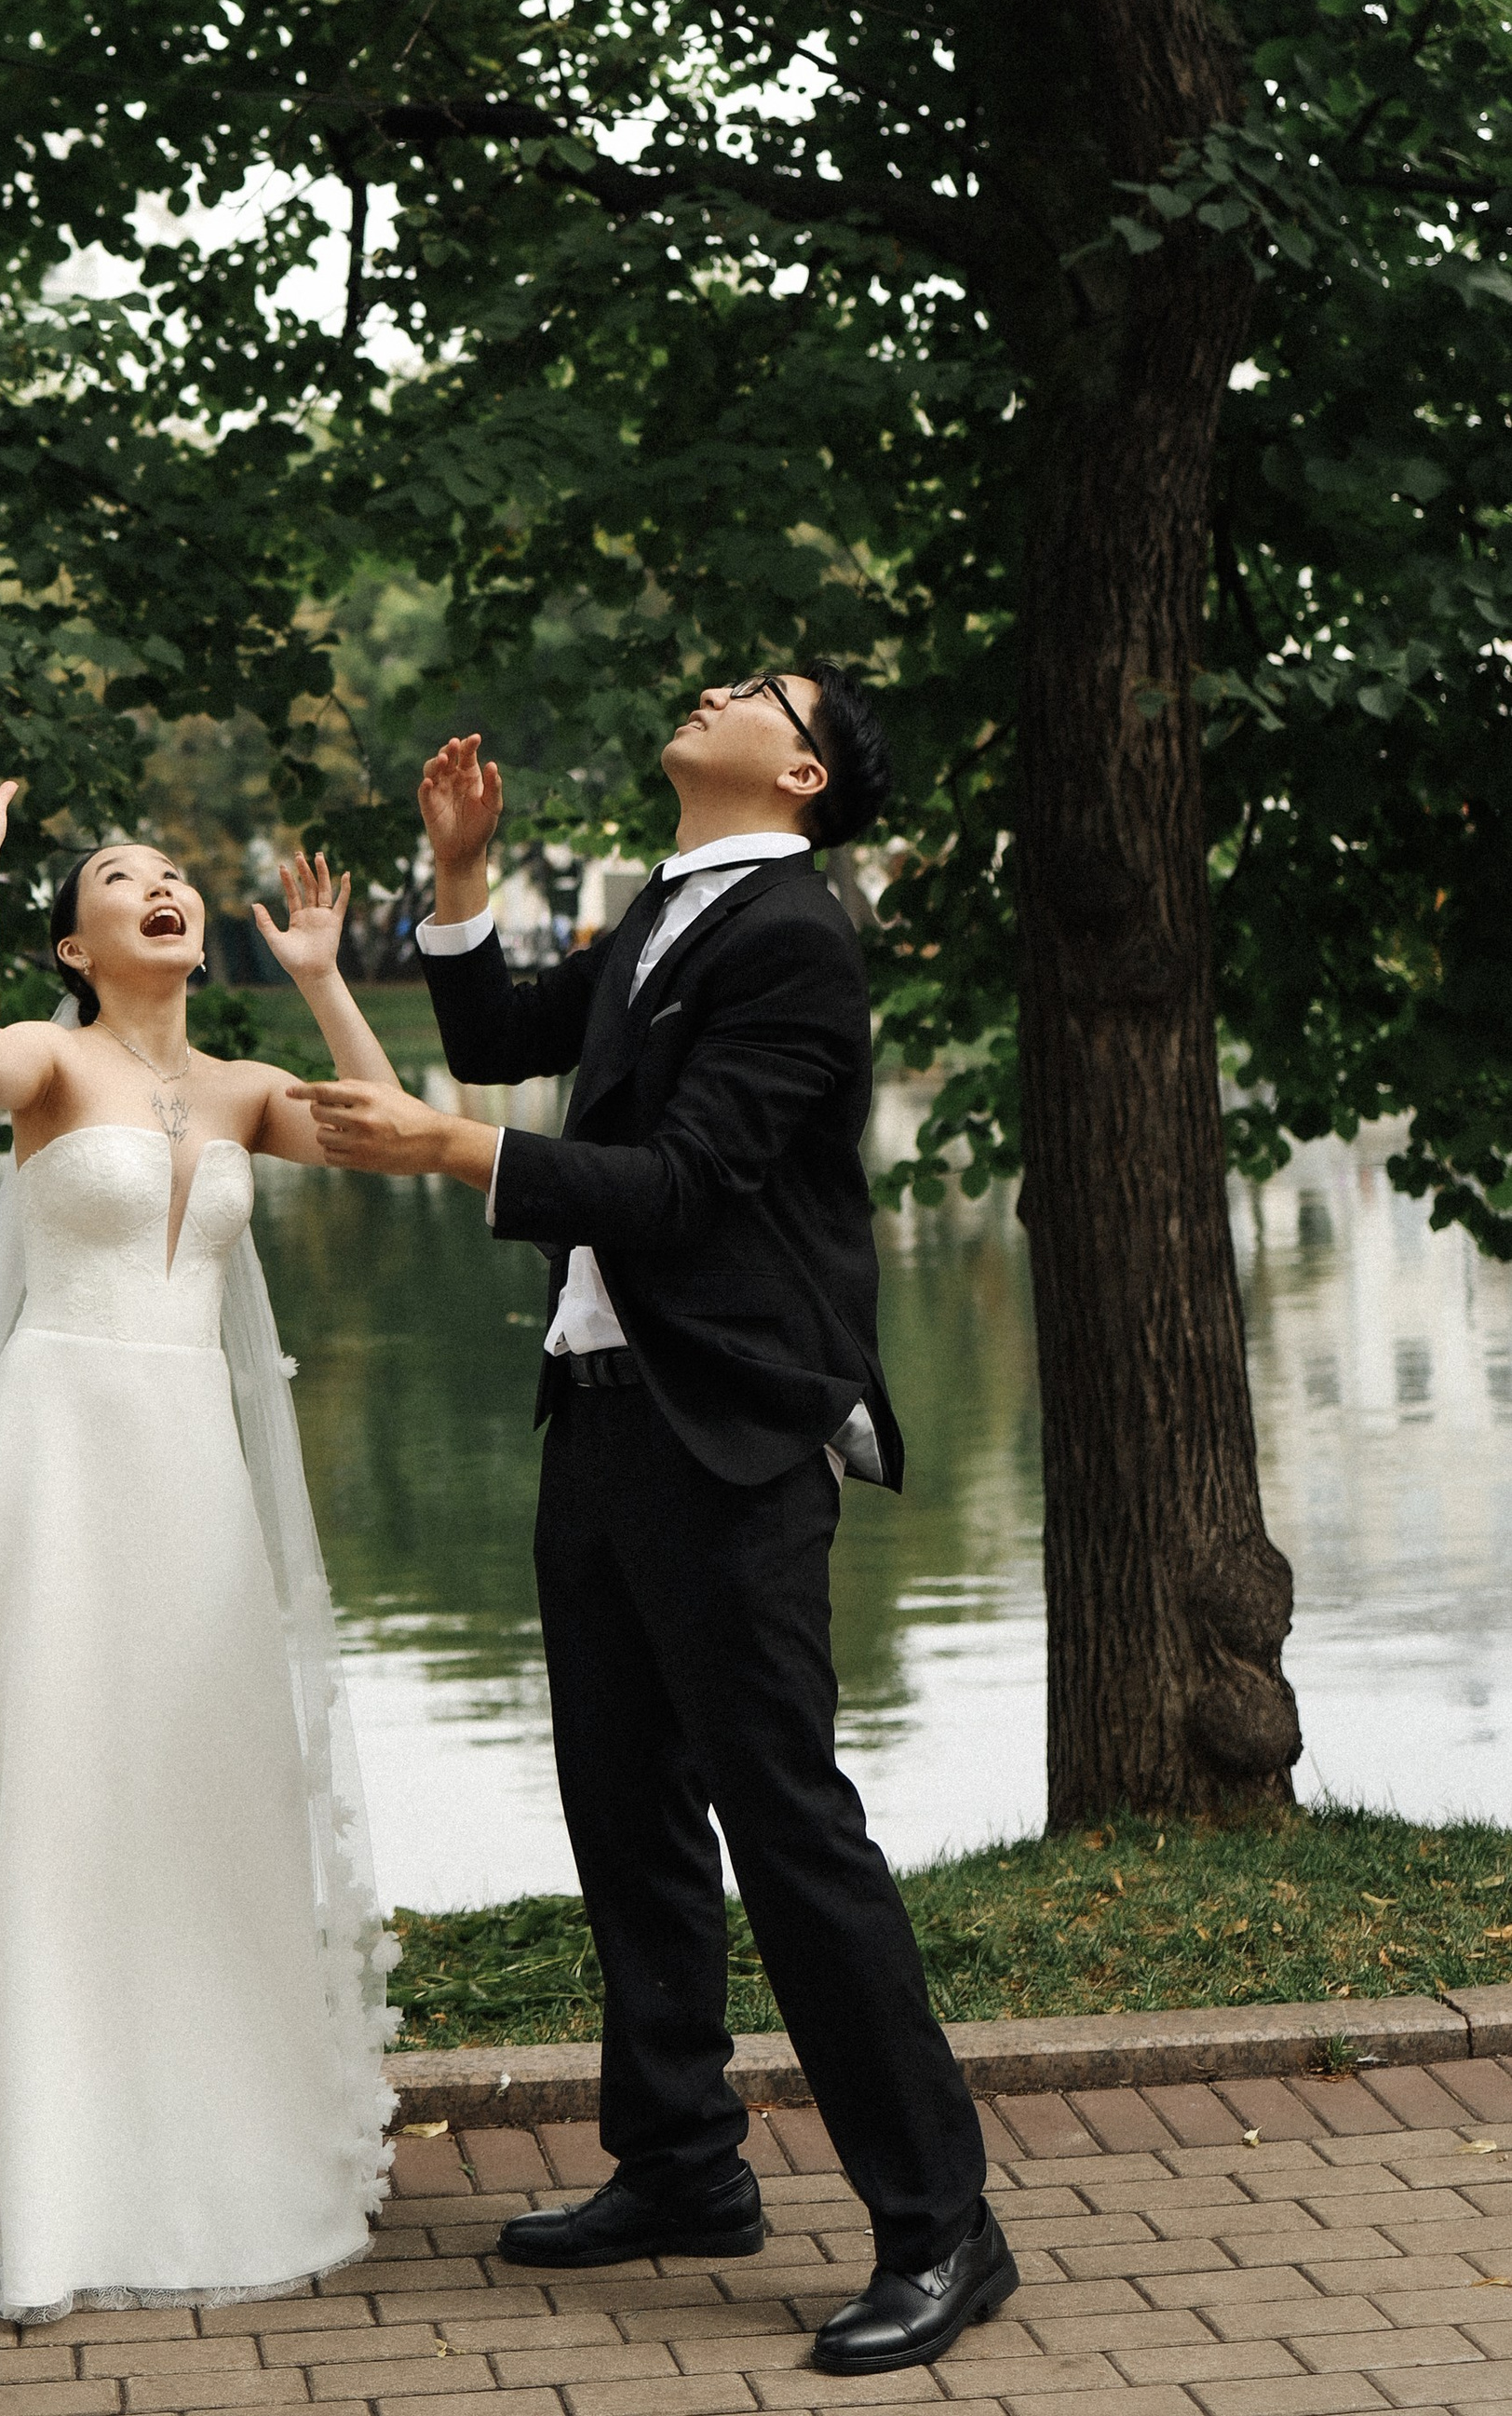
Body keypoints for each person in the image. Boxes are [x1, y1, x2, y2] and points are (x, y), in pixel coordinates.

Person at [286, 674, 1013, 2380]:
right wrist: (458, 883)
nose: (710, 683)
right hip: (604, 1413)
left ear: (803, 767)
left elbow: (684, 1183)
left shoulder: (796, 937)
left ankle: (942, 2225)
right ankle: (682, 2160)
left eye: (755, 690)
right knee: (624, 1803)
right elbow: (496, 1034)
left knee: (788, 1825)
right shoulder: (661, 910)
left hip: (732, 1430)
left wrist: (452, 1156)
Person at [0, 745, 401, 2328]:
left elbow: (406, 1130)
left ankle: (220, 2151)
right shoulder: (54, 1068)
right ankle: (55, 2175)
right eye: (120, 879)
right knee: (63, 1785)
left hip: (192, 1464)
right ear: (77, 944)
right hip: (57, 1459)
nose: (162, 886)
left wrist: (327, 981)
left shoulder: (249, 1090)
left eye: (171, 875)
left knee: (199, 1786)